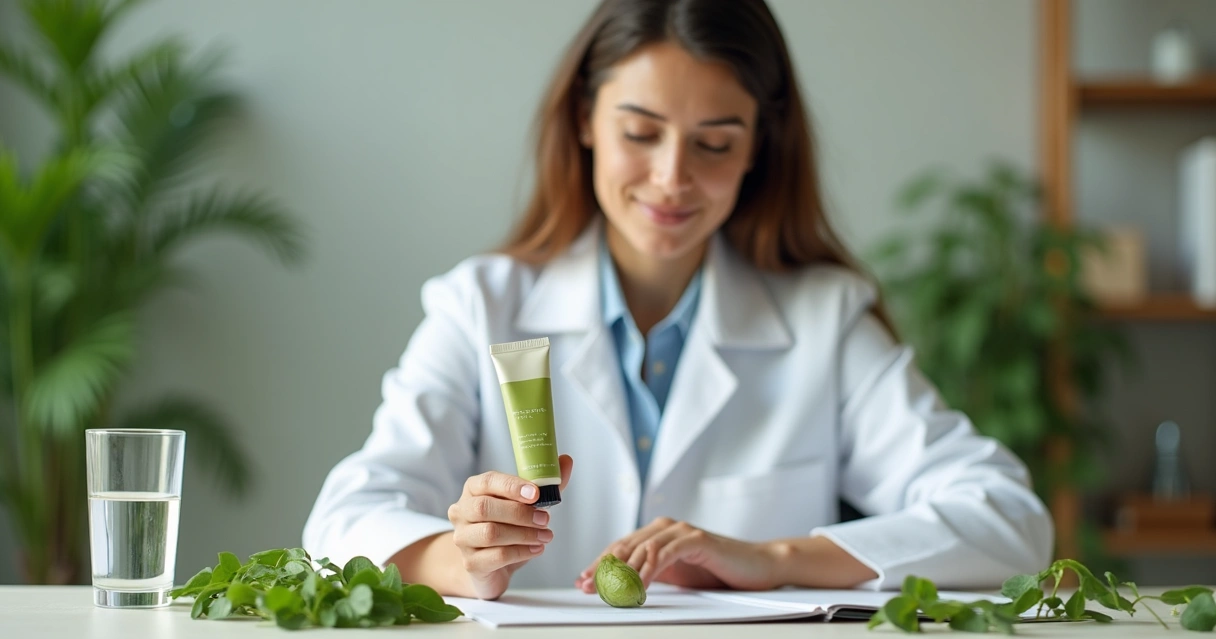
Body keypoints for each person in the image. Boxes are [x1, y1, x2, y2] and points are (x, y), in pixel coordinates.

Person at [302, 0, 1053, 600]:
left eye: (715, 144)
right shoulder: (480, 304)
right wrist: (461, 558)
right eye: (640, 132)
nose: (672, 178)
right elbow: (343, 519)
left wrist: (773, 558)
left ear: (759, 146)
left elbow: (1008, 520)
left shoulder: (825, 319)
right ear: (585, 121)